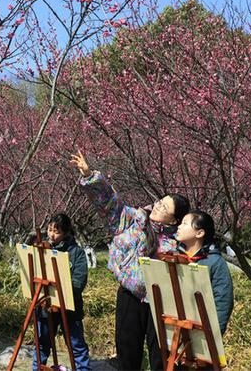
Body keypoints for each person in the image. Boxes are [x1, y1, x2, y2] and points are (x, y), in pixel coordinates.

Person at [70, 150, 190, 371]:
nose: (157, 206)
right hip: (129, 296)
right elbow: (108, 202)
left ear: (174, 219)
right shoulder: (132, 219)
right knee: (128, 354)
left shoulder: (178, 239)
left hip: (161, 302)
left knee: (160, 358)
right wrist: (90, 176)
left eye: (164, 208)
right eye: (159, 202)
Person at [33, 213, 91, 371]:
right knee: (42, 344)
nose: (51, 234)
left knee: (76, 345)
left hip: (69, 307)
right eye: (49, 229)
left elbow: (79, 282)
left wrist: (62, 290)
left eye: (56, 231)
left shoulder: (76, 253)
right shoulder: (42, 250)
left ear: (66, 233)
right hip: (46, 305)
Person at [174, 210, 234, 334]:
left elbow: (223, 300)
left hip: (201, 329)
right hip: (173, 325)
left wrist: (215, 332)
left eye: (185, 224)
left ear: (199, 233)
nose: (179, 226)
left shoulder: (215, 262)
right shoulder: (172, 256)